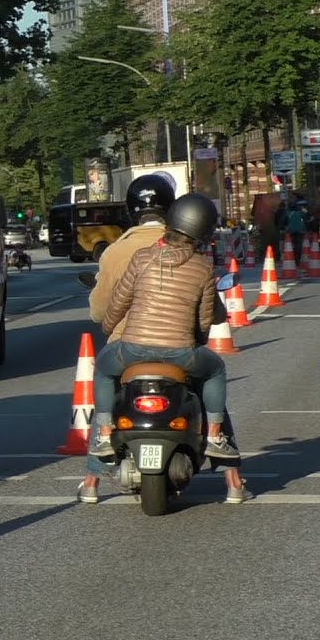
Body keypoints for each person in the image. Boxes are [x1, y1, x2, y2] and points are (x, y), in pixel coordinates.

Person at [83, 193, 249, 504]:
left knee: (103, 371)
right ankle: (215, 436)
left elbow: (118, 303)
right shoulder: (203, 268)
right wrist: (193, 340)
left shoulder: (141, 257)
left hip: (131, 349)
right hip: (181, 353)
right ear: (204, 234)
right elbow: (205, 320)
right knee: (215, 370)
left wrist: (110, 329)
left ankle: (104, 434)